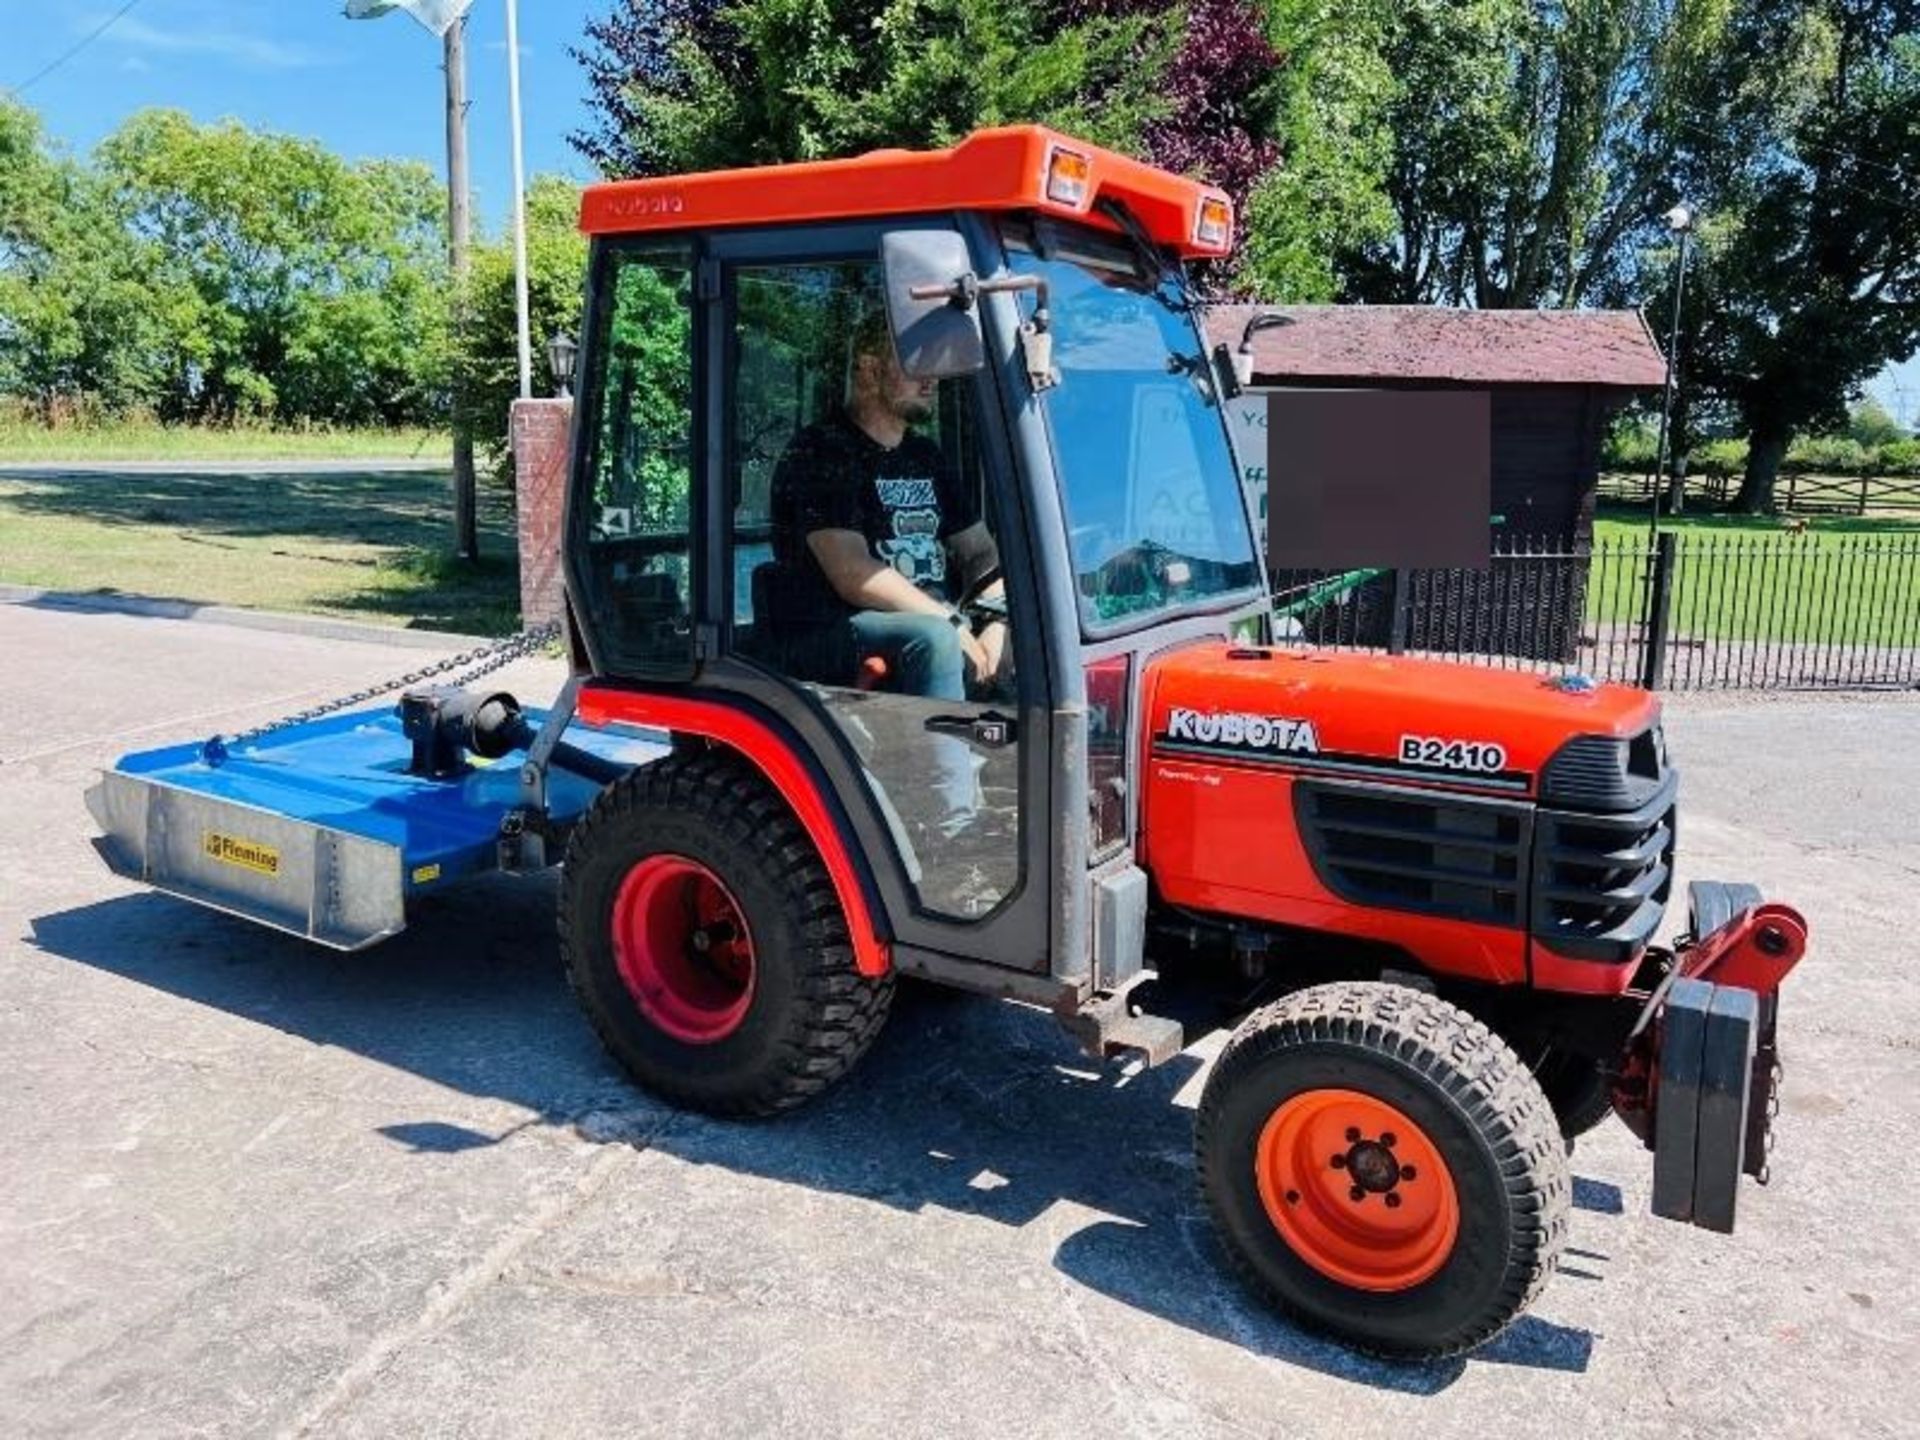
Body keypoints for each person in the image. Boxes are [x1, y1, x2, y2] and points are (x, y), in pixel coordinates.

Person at [764, 307, 1009, 846]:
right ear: (870, 368)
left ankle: (1017, 806)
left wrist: (993, 626)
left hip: (935, 624)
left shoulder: (927, 457)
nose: (933, 378)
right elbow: (853, 573)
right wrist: (953, 622)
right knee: (934, 641)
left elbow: (982, 554)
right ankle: (954, 831)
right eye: (916, 362)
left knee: (1035, 641)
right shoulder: (822, 452)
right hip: (832, 629)